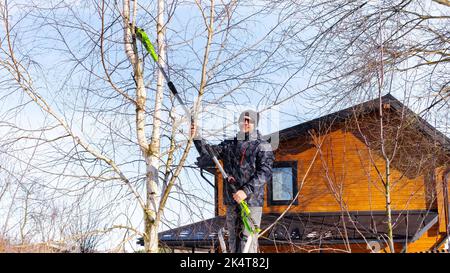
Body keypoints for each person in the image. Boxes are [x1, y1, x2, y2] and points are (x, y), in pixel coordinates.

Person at [191, 110, 274, 253]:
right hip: (232, 200)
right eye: (243, 120)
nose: (245, 123)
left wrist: (245, 191)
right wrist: (196, 138)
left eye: (249, 120)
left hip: (251, 202)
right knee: (233, 242)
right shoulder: (229, 145)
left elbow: (265, 172)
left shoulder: (262, 146)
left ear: (255, 123)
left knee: (247, 243)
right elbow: (209, 153)